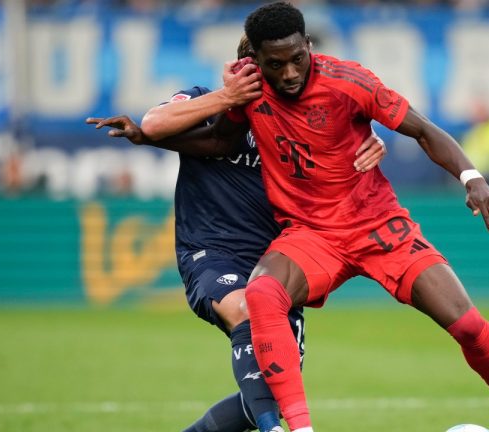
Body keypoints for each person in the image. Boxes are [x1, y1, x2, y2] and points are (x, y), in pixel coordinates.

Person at [204, 3, 489, 432]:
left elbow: (424, 130)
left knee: (466, 323)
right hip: (312, 235)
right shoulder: (247, 90)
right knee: (261, 293)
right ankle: (300, 429)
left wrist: (472, 178)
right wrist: (152, 132)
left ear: (309, 46)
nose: (291, 73)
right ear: (257, 60)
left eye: (298, 59)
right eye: (276, 64)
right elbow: (220, 141)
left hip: (376, 224)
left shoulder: (347, 81)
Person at [86, 35, 387, 432]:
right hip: (211, 251)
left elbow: (346, 159)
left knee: (276, 384)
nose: (280, 77)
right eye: (265, 68)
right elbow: (155, 124)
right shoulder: (202, 101)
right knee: (243, 308)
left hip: (280, 262)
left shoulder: (303, 120)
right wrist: (227, 98)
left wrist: (369, 144)